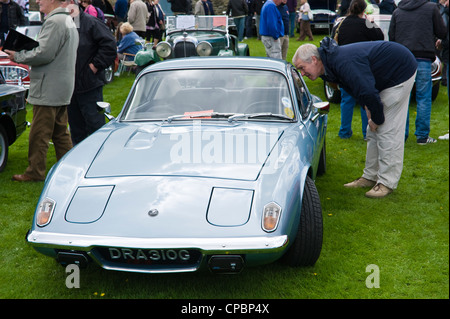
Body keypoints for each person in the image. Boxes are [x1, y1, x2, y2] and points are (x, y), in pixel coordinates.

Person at [292, 38, 417, 198]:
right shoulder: (329, 65)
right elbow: (355, 87)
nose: (302, 73)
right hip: (381, 78)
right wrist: (368, 108)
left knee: (387, 129)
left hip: (400, 71)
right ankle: (370, 177)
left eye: (302, 68)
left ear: (314, 60)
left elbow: (367, 90)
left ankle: (386, 183)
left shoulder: (342, 62)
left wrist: (376, 118)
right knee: (371, 130)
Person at [6, 0, 79, 182]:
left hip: (49, 87)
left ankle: (35, 172)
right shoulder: (68, 20)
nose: (37, 1)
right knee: (61, 134)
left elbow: (44, 53)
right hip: (61, 87)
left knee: (39, 133)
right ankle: (68, 170)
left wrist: (18, 56)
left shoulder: (55, 22)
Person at [388, 0, 447, 145]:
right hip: (423, 57)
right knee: (423, 97)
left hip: (403, 58)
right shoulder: (431, 8)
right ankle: (422, 136)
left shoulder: (398, 11)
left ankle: (402, 134)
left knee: (403, 98)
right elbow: (442, 32)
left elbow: (392, 35)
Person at [63, 0, 116, 146]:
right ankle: (79, 160)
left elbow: (110, 46)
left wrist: (94, 66)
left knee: (95, 125)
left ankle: (99, 158)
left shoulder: (91, 23)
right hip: (71, 87)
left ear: (70, 3)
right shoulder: (65, 24)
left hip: (89, 84)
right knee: (76, 128)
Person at [332, 0, 384, 140]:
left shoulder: (341, 24)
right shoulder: (364, 24)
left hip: (343, 66)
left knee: (346, 100)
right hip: (361, 66)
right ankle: (366, 132)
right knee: (365, 100)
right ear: (364, 11)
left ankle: (344, 132)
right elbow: (380, 36)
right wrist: (369, 21)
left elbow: (333, 41)